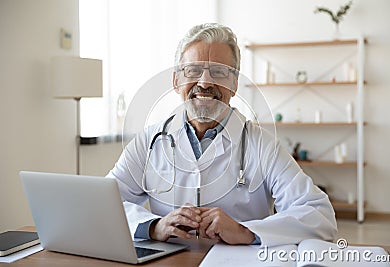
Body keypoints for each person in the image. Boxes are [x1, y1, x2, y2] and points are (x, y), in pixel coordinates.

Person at [107, 23, 337, 247]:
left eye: (218, 72)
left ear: (234, 83)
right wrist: (153, 227)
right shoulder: (149, 140)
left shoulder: (262, 145)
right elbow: (104, 203)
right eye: (193, 71)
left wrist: (245, 231)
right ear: (177, 81)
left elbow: (320, 215)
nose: (205, 82)